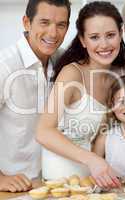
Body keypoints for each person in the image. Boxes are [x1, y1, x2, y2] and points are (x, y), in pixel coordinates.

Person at [36, 1, 125, 188]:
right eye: (94, 37)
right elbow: (44, 132)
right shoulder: (72, 73)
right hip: (61, 179)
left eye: (110, 35)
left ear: (121, 33)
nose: (104, 44)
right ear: (82, 40)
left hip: (98, 180)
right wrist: (92, 160)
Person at [0, 0, 70, 192]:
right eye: (44, 22)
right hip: (12, 189)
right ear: (26, 23)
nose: (53, 33)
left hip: (54, 184)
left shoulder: (64, 62)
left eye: (61, 25)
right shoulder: (5, 66)